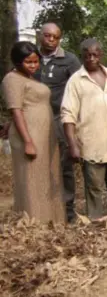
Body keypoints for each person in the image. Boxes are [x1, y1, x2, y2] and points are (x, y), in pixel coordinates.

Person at [61, 39, 107, 220]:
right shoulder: (76, 81)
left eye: (94, 55)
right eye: (87, 56)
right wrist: (73, 145)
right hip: (92, 143)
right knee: (94, 187)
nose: (91, 58)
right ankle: (95, 222)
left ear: (101, 55)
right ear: (82, 56)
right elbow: (68, 114)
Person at [2, 42, 64, 222]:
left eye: (36, 61)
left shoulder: (30, 78)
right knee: (31, 180)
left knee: (46, 177)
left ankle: (51, 220)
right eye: (29, 62)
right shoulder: (12, 79)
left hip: (44, 136)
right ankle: (35, 222)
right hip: (29, 136)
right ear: (17, 62)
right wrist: (28, 141)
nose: (33, 66)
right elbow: (16, 110)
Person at [33, 22, 81, 222]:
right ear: (40, 36)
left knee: (64, 164)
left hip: (59, 119)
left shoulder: (69, 60)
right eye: (47, 36)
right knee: (38, 163)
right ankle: (42, 208)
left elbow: (79, 88)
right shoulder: (30, 57)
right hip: (34, 119)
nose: (51, 40)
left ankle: (68, 210)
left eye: (55, 37)